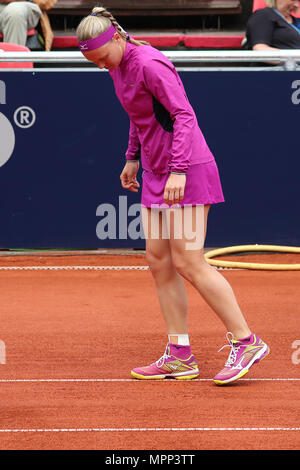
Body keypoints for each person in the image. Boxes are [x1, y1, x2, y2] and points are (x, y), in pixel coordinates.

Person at [76, 6, 270, 386]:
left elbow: (183, 115)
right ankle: (179, 354)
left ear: (116, 38)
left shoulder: (150, 63)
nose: (100, 66)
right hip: (155, 172)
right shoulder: (117, 67)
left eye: (101, 58)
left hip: (188, 170)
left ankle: (247, 341)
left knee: (189, 260)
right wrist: (132, 156)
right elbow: (140, 115)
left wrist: (179, 168)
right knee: (158, 259)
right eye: (93, 62)